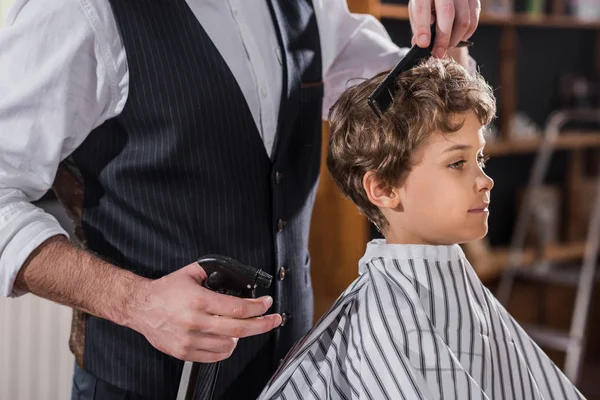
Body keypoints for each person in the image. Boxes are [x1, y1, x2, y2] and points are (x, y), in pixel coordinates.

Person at [0, 0, 480, 399]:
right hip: (144, 385)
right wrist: (135, 302)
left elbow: (420, 100)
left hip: (293, 378)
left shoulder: (309, 6)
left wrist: (449, 31)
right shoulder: (77, 11)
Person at [257, 57, 585, 399]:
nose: (485, 181)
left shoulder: (450, 284)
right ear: (383, 189)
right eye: (457, 163)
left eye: (480, 159)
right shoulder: (387, 323)